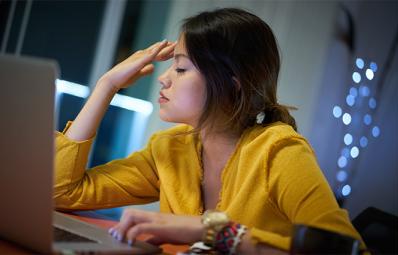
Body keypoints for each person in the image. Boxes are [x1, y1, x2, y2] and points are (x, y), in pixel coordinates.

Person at [54, 8, 364, 254]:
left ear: (232, 81)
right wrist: (107, 86)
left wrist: (212, 232)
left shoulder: (279, 152)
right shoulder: (170, 149)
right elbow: (60, 192)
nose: (163, 78)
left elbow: (344, 250)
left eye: (181, 68)